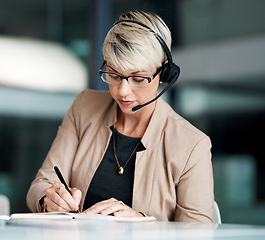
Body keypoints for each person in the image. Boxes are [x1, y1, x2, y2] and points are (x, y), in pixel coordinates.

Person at [26, 10, 214, 223]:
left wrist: (142, 222)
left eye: (138, 78)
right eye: (114, 75)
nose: (123, 91)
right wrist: (49, 200)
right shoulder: (84, 107)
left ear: (164, 74)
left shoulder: (192, 144)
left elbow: (199, 230)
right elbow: (41, 184)